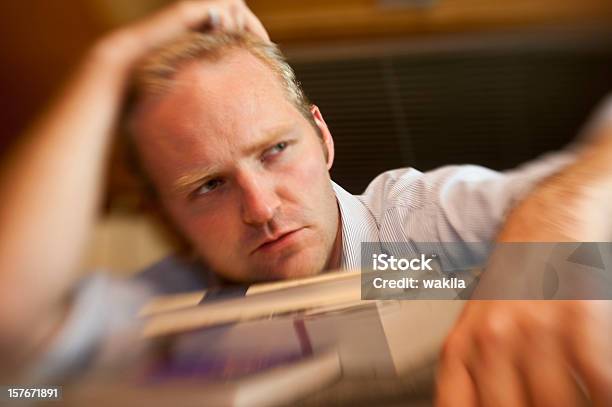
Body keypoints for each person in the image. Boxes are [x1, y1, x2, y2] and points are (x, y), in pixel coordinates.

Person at [0, 0, 610, 405]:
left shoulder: (421, 224)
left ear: (322, 137)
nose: (261, 207)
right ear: (165, 218)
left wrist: (544, 230)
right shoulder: (165, 314)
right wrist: (107, 63)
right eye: (209, 186)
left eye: (274, 150)